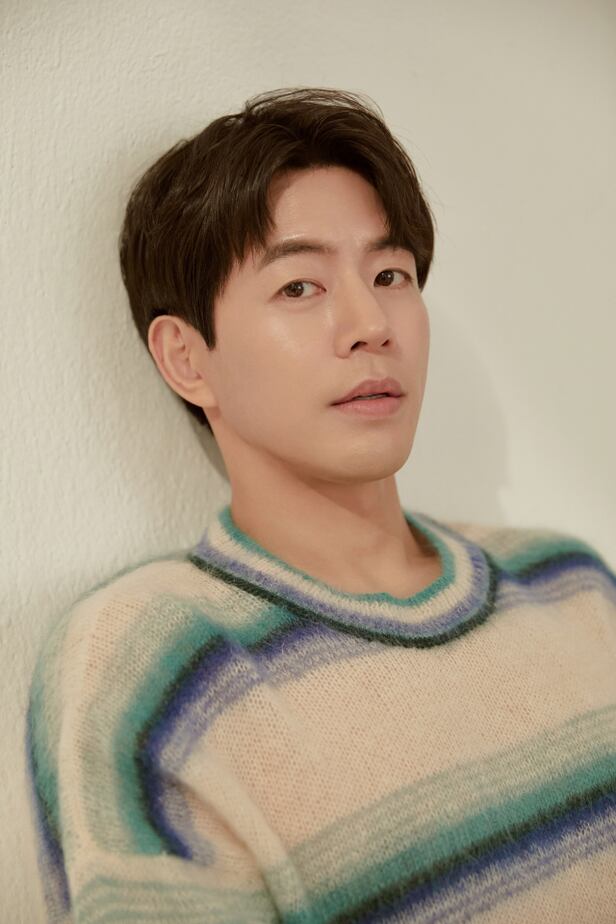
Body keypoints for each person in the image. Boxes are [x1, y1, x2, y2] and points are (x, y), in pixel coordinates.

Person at [25, 87, 616, 923]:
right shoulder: (155, 665)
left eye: (390, 275)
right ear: (187, 359)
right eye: (299, 286)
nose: (371, 323)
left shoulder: (570, 582)